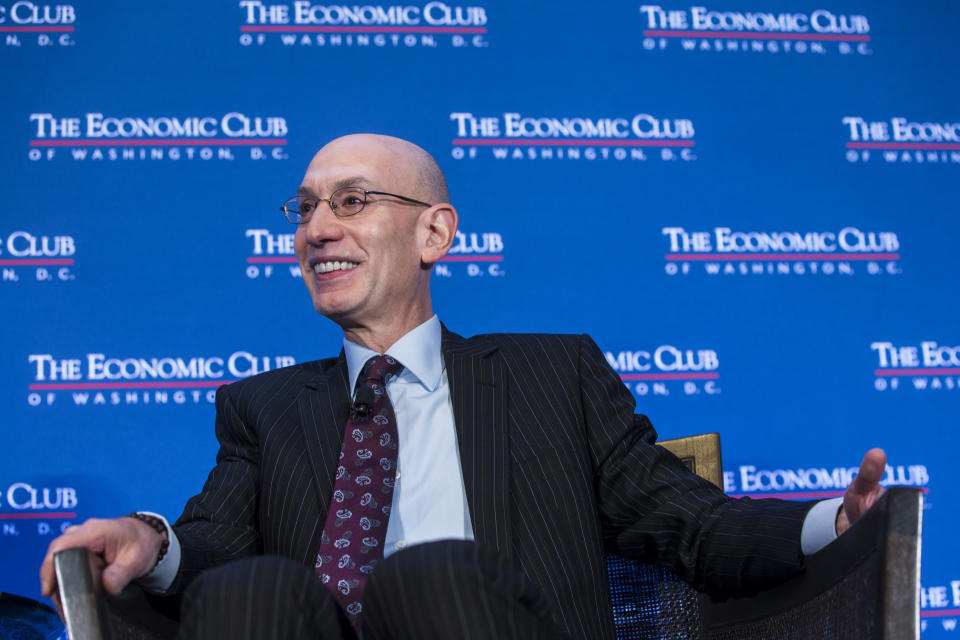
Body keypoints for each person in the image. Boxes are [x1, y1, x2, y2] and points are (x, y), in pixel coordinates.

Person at [40, 134, 887, 640]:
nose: (317, 229)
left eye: (351, 200)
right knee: (247, 589)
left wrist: (831, 527)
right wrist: (151, 539)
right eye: (302, 209)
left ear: (435, 232)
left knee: (430, 577)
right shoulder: (263, 408)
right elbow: (214, 543)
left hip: (486, 623)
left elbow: (689, 522)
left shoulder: (552, 374)